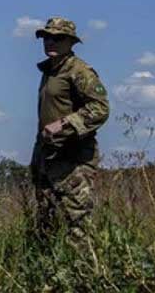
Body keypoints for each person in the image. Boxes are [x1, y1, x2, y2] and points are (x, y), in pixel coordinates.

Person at [29, 17, 109, 240]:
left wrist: (65, 123)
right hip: (49, 157)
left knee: (78, 223)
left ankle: (86, 272)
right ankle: (48, 271)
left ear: (71, 42)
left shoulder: (79, 71)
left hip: (74, 160)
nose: (50, 42)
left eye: (58, 38)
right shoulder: (50, 71)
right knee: (47, 222)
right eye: (46, 37)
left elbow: (100, 108)